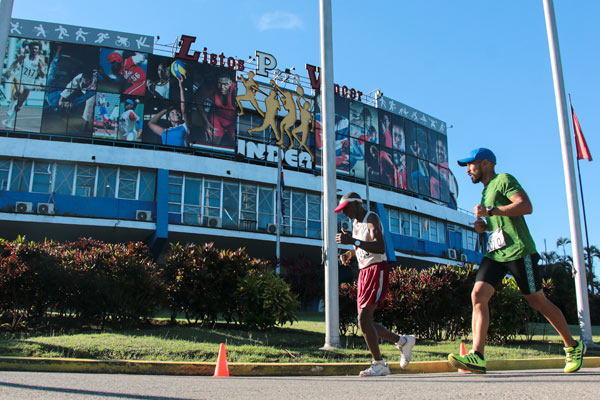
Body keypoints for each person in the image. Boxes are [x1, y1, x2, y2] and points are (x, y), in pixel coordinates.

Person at [448, 148, 585, 374]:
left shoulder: (503, 180)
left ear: (485, 163)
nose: (467, 170)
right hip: (496, 254)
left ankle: (573, 346)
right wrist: (483, 226)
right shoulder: (485, 191)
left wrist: (490, 211)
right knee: (478, 295)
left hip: (519, 250)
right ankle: (478, 356)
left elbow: (525, 206)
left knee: (537, 301)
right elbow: (497, 221)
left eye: (470, 165)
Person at [335, 192, 416, 377]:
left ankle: (379, 364)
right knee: (366, 322)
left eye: (346, 208)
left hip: (376, 269)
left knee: (363, 319)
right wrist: (350, 253)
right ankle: (403, 341)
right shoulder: (356, 224)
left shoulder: (371, 217)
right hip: (364, 272)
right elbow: (363, 245)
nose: (344, 213)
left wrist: (352, 241)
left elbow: (379, 246)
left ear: (356, 204)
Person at [2, 41, 47, 128]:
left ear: (38, 50)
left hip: (29, 83)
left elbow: (42, 75)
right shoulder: (24, 56)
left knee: (19, 105)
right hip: (19, 78)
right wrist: (9, 71)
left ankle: (9, 122)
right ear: (29, 49)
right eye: (33, 48)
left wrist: (40, 68)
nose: (34, 50)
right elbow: (15, 63)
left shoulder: (40, 60)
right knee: (20, 91)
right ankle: (11, 107)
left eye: (36, 49)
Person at [148, 74, 189, 147]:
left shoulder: (184, 127)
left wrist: (181, 86)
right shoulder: (165, 132)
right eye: (172, 112)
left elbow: (183, 107)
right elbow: (151, 123)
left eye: (177, 112)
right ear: (168, 118)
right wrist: (165, 110)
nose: (175, 113)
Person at [200, 73, 237, 146]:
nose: (222, 87)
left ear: (230, 83)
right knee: (214, 144)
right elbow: (198, 101)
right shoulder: (212, 89)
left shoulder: (236, 91)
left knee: (237, 144)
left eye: (225, 84)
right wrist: (206, 122)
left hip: (233, 121)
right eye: (219, 84)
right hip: (217, 118)